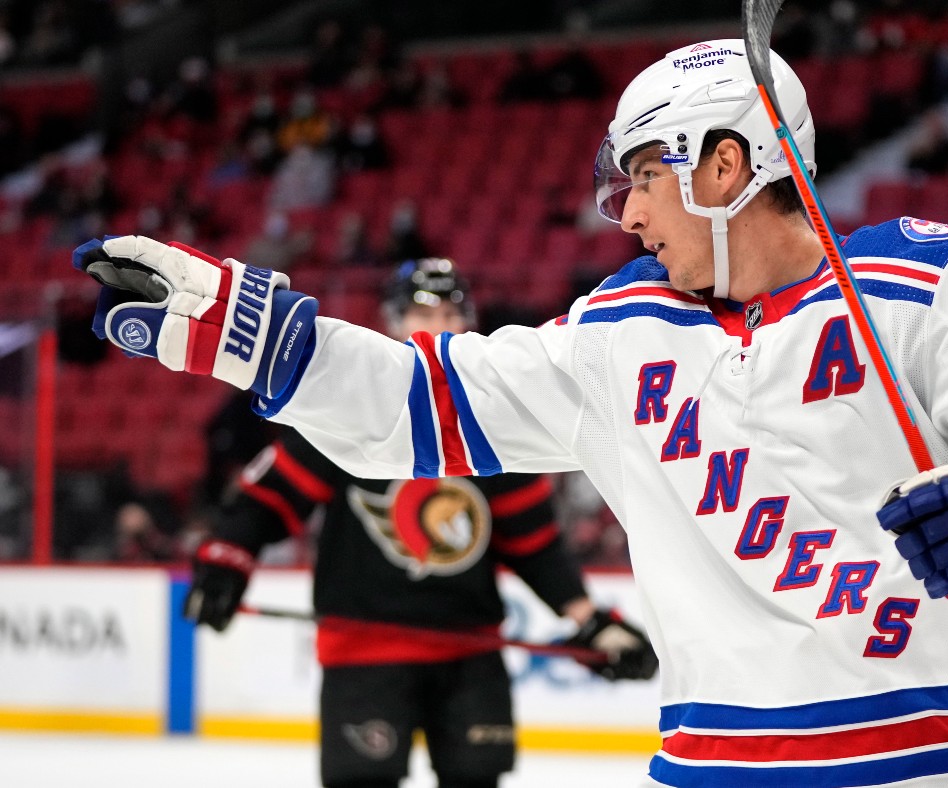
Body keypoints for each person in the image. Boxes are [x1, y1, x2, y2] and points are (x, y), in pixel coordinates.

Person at [76, 39, 948, 787]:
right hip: (710, 769)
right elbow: (419, 402)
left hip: (942, 768)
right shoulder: (618, 329)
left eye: (645, 175)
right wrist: (249, 331)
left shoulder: (934, 282)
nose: (626, 210)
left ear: (728, 165)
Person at [182, 258, 657, 788]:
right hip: (364, 650)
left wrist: (590, 621)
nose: (439, 326)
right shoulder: (350, 407)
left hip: (471, 651)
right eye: (423, 313)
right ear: (393, 321)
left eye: (452, 313)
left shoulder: (497, 415)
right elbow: (268, 500)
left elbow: (534, 544)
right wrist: (227, 558)